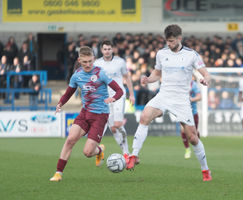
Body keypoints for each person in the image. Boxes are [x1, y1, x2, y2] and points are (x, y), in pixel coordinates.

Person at [126, 24, 212, 182]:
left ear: (180, 38)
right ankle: (134, 155)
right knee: (145, 116)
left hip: (181, 100)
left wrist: (205, 79)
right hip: (164, 95)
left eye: (172, 41)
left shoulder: (191, 55)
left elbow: (206, 73)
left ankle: (205, 170)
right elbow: (157, 73)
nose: (169, 44)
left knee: (192, 138)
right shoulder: (161, 53)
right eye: (167, 41)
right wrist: (148, 79)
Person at [49, 46, 123, 182]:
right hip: (85, 113)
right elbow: (69, 92)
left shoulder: (101, 73)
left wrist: (114, 98)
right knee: (70, 139)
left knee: (88, 152)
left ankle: (99, 150)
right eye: (85, 62)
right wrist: (60, 103)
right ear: (79, 60)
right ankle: (58, 173)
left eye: (90, 61)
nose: (88, 64)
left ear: (94, 59)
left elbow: (119, 91)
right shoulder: (77, 75)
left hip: (100, 115)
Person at [94, 40, 135, 164]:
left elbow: (127, 77)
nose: (107, 51)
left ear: (113, 50)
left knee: (117, 124)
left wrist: (131, 94)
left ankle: (127, 153)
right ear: (102, 50)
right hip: (104, 98)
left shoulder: (120, 62)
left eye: (109, 49)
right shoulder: (97, 63)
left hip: (118, 95)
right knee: (113, 128)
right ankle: (120, 153)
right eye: (105, 49)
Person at [181, 78, 201, 159]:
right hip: (182, 112)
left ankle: (198, 146)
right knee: (183, 130)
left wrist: (192, 99)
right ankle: (187, 149)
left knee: (194, 133)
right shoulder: (180, 84)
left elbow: (200, 97)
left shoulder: (194, 85)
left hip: (193, 112)